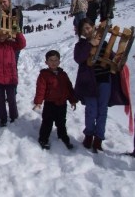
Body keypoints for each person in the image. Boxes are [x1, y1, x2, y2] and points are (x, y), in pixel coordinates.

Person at [74, 18, 112, 152]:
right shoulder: (80, 46)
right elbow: (79, 58)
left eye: (88, 27)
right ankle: (89, 134)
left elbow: (111, 59)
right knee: (91, 110)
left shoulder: (105, 43)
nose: (86, 30)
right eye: (83, 29)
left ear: (93, 27)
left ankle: (98, 138)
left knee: (102, 111)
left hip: (104, 81)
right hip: (89, 82)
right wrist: (90, 44)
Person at [33, 50, 77, 150]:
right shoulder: (44, 75)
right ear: (46, 62)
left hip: (62, 104)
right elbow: (40, 89)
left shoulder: (63, 75)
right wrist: (38, 102)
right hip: (50, 104)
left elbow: (69, 88)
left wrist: (72, 100)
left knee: (61, 123)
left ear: (59, 62)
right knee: (47, 123)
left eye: (56, 60)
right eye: (51, 60)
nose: (53, 62)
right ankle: (43, 139)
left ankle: (63, 138)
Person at [0, 29, 26, 127]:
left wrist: (18, 32)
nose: (2, 37)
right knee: (1, 99)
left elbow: (22, 44)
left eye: (4, 35)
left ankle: (13, 116)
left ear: (7, 35)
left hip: (10, 78)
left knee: (11, 98)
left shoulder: (12, 45)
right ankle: (3, 118)